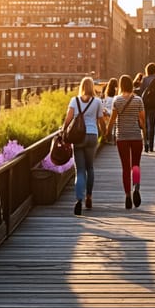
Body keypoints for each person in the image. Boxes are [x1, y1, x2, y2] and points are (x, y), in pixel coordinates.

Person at [61, 76, 105, 216]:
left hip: (78, 137)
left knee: (80, 170)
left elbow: (68, 119)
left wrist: (63, 132)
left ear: (81, 87)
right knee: (90, 167)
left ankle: (79, 200)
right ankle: (89, 197)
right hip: (92, 136)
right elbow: (100, 120)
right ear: (92, 87)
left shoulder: (74, 100)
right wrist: (105, 133)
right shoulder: (97, 101)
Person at [106, 74, 147, 209]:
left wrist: (107, 132)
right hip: (136, 136)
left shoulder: (117, 100)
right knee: (136, 165)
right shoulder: (138, 100)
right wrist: (145, 135)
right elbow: (142, 120)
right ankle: (136, 187)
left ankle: (128, 196)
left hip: (121, 137)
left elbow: (112, 119)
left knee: (125, 167)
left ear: (121, 85)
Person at [101, 77, 118, 144]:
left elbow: (103, 105)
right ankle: (114, 138)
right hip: (114, 113)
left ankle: (107, 138)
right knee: (114, 125)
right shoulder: (116, 96)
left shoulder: (106, 96)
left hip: (107, 113)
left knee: (108, 125)